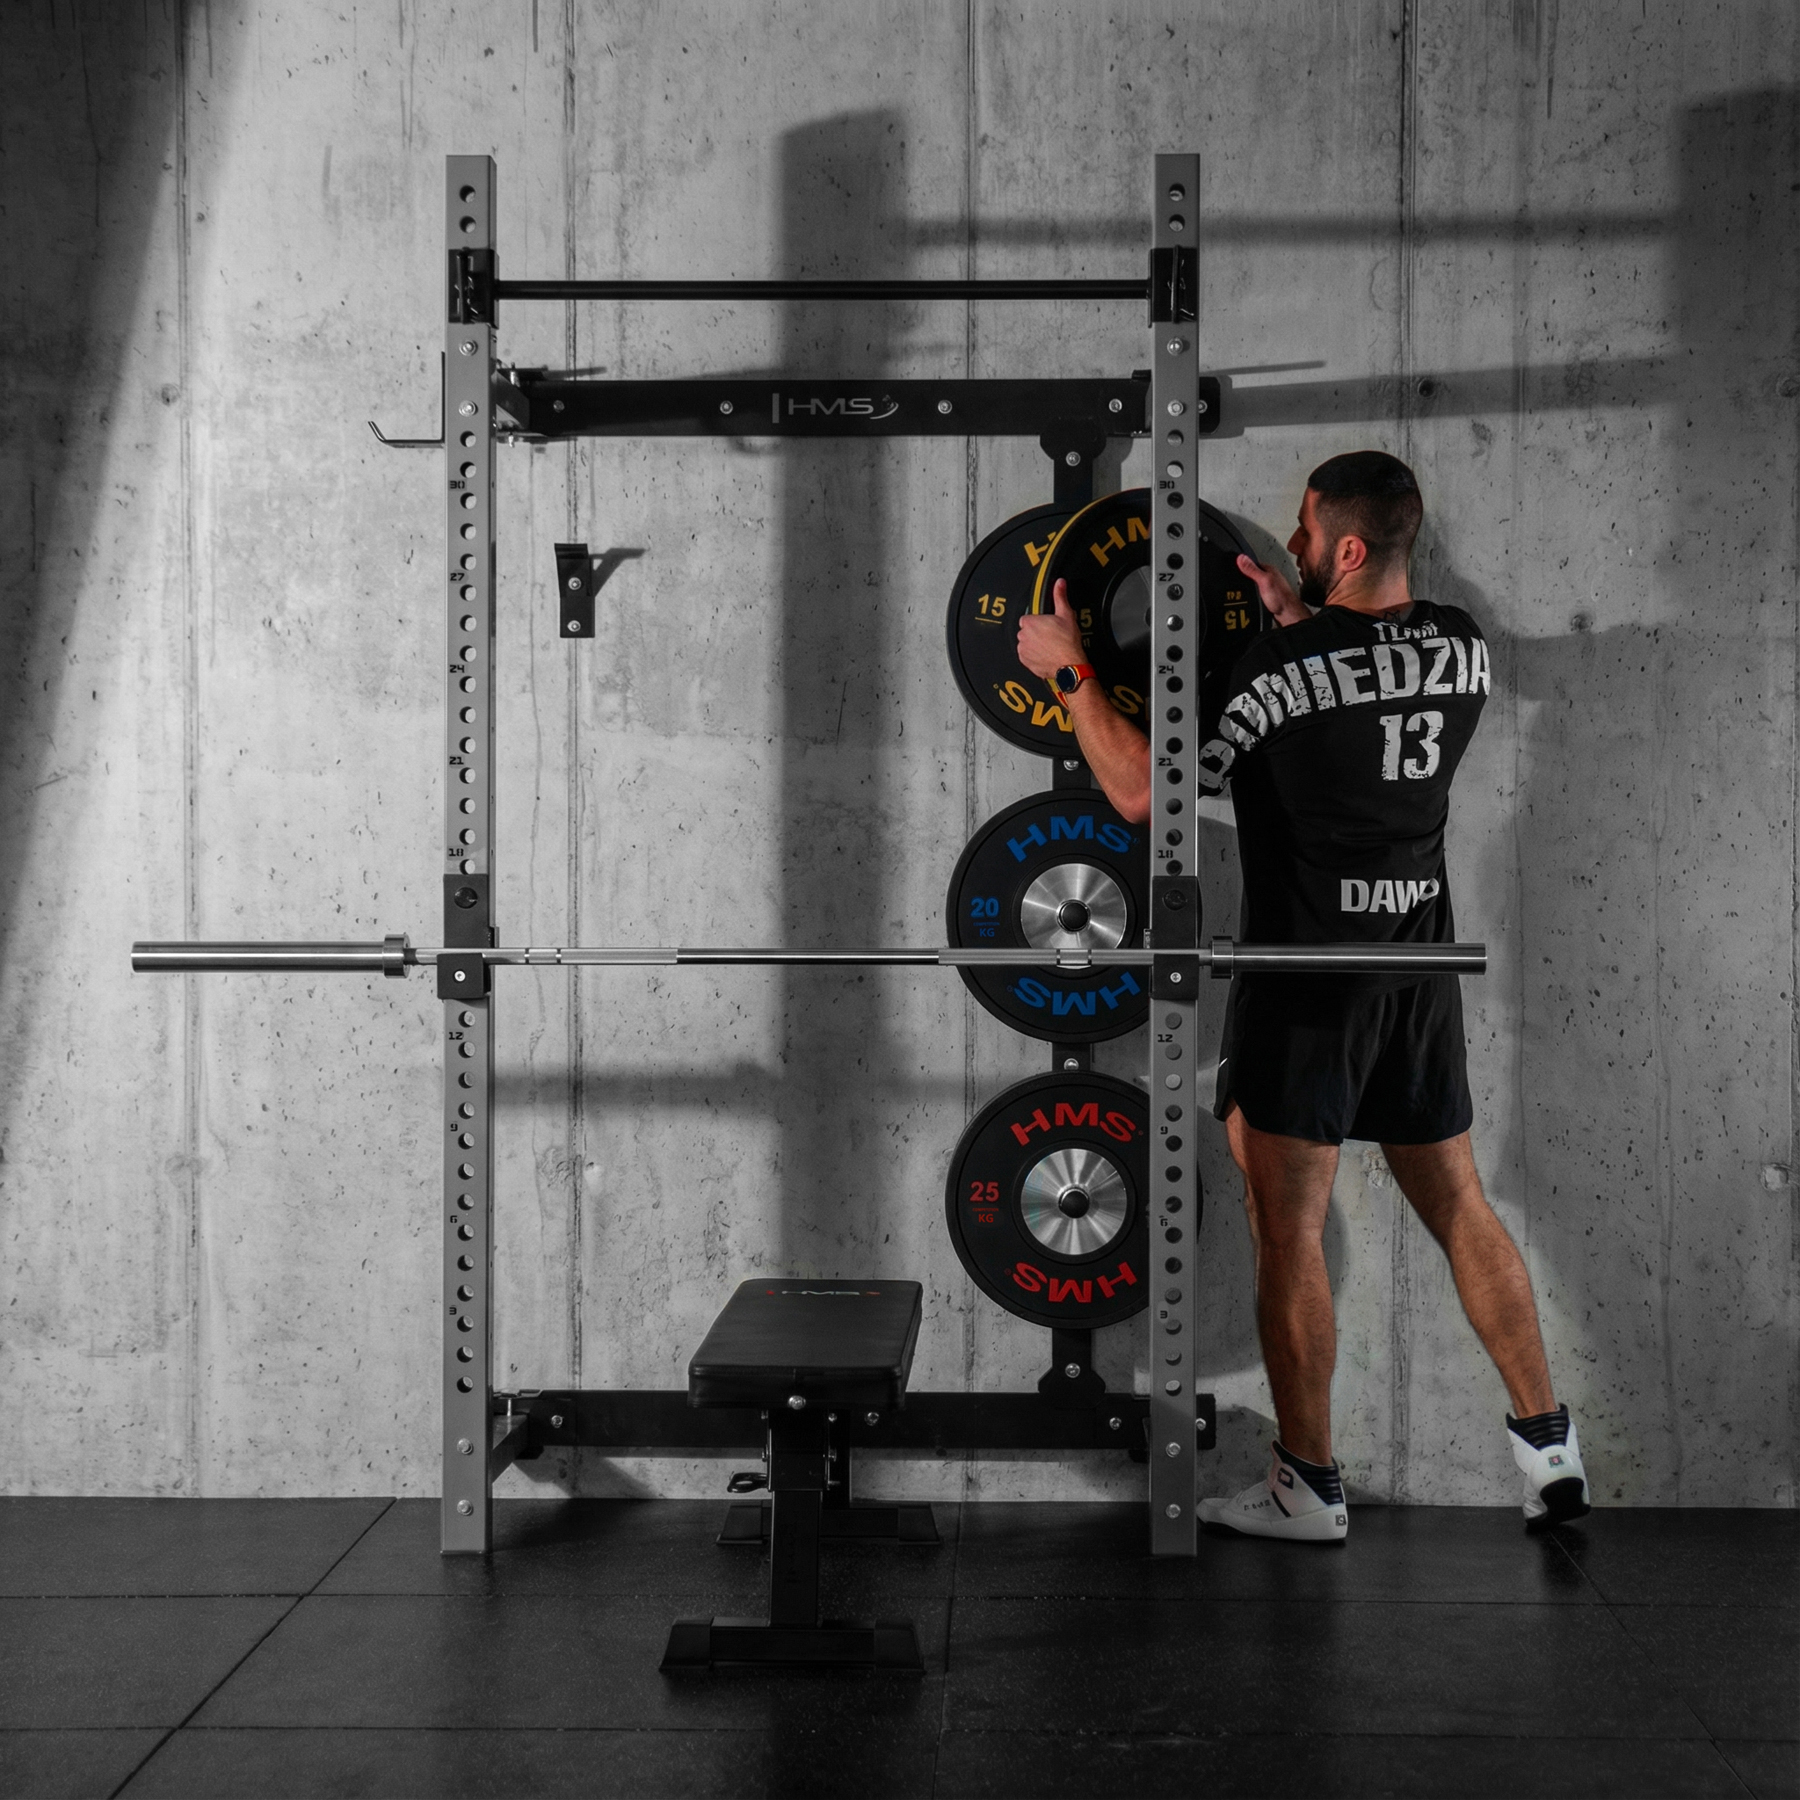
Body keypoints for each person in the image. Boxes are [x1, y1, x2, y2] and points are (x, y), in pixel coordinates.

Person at [1015, 451, 1588, 1541]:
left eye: (1310, 532)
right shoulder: (1461, 646)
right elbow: (1359, 691)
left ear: (1349, 545)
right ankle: (1549, 1445)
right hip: (1417, 974)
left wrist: (1071, 669)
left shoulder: (1275, 674)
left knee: (1290, 1233)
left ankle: (1309, 1488)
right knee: (1460, 1207)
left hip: (1304, 983)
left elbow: (1138, 792)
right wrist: (1300, 622)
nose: (1295, 542)